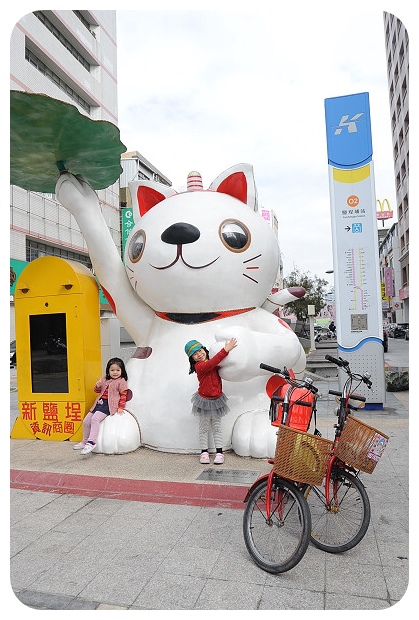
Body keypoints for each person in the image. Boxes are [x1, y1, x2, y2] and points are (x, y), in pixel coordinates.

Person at [185, 337, 237, 464]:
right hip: (204, 401)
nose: (199, 355)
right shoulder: (200, 366)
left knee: (216, 427)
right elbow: (212, 363)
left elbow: (216, 362)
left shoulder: (212, 363)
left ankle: (219, 453)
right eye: (195, 354)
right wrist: (225, 350)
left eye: (200, 351)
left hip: (217, 400)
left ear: (204, 349)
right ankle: (204, 452)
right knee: (204, 427)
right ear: (192, 359)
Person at [73, 357, 129, 455]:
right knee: (86, 421)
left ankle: (91, 442)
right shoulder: (104, 379)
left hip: (109, 405)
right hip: (99, 403)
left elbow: (123, 395)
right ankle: (84, 441)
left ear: (122, 371)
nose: (115, 372)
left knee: (95, 419)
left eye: (117, 370)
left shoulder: (122, 381)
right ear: (108, 370)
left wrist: (121, 407)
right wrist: (98, 385)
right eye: (112, 370)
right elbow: (97, 391)